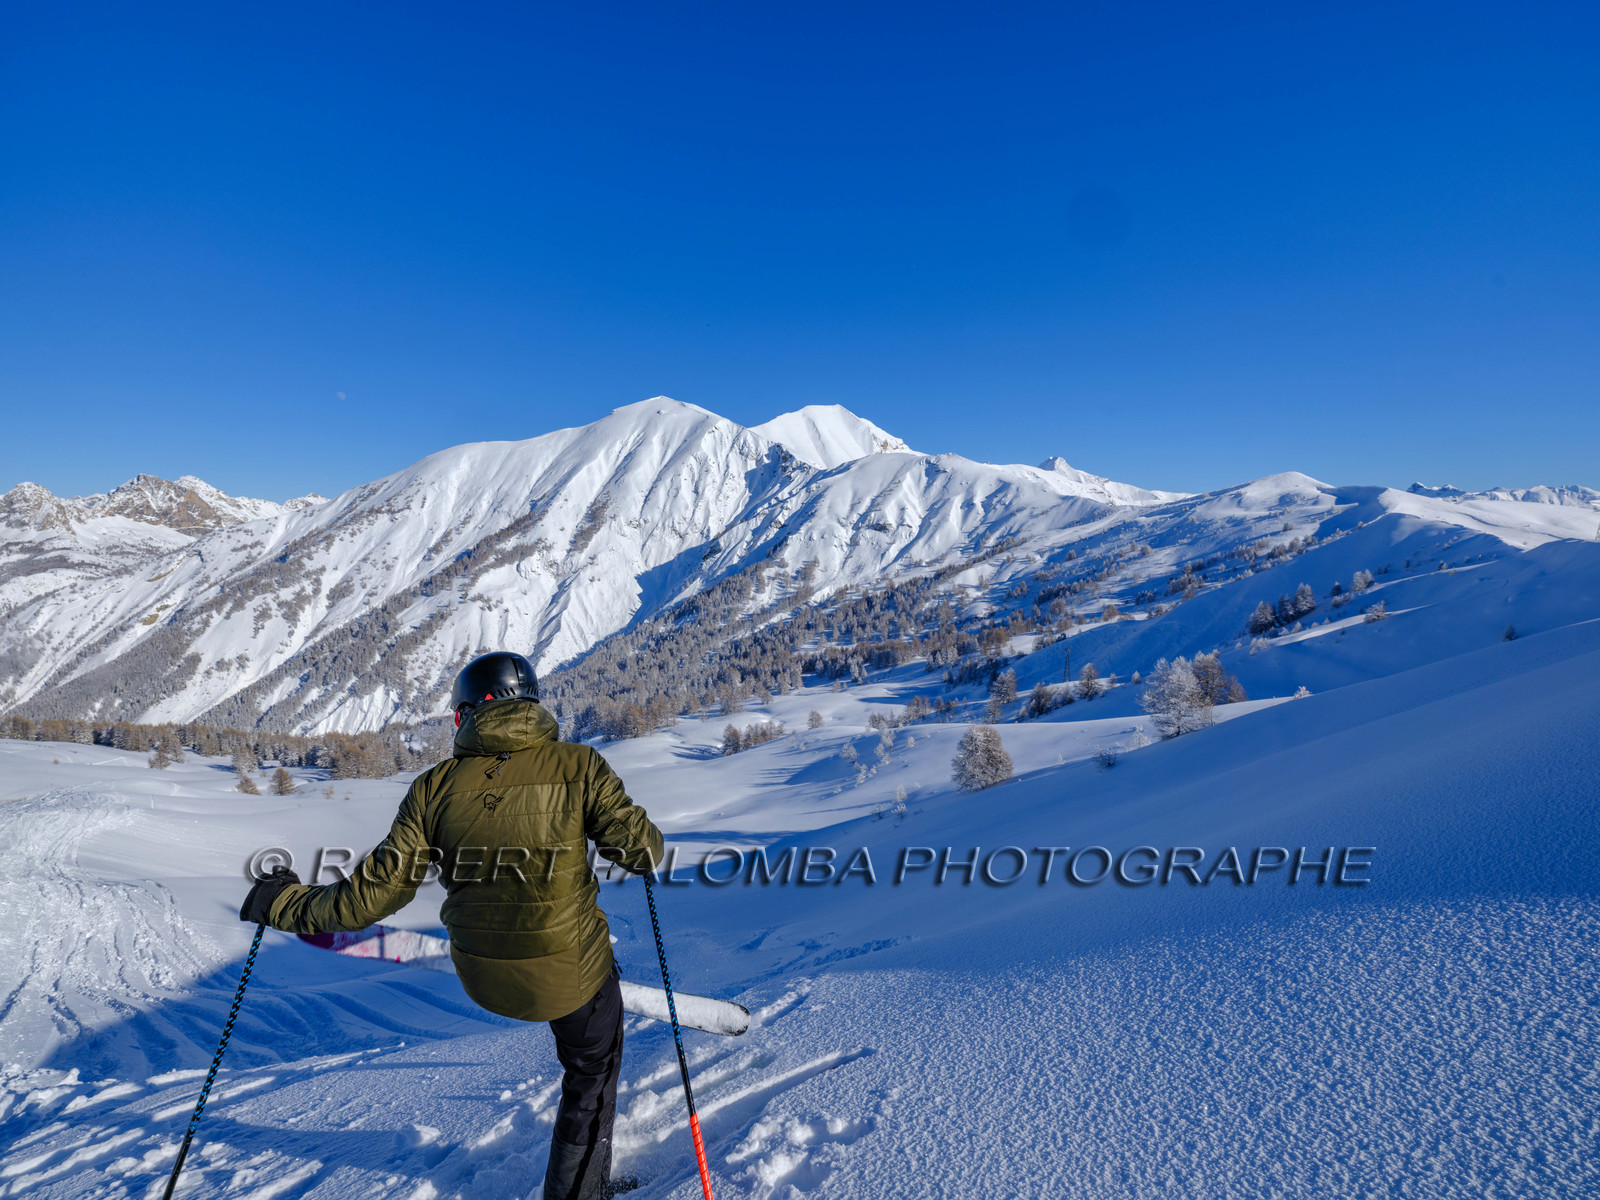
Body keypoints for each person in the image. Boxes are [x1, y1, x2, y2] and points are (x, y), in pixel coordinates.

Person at [242, 651, 663, 1200]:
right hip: (570, 976)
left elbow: (368, 898)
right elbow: (644, 852)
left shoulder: (432, 788)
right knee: (592, 1069)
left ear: (466, 714)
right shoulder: (580, 765)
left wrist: (280, 903)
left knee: (580, 999)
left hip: (482, 977)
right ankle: (580, 1194)